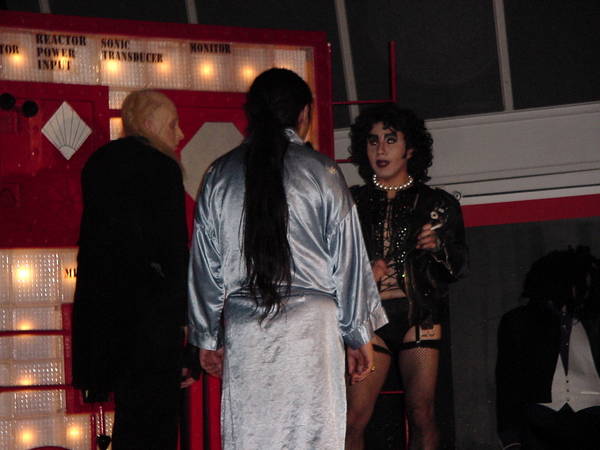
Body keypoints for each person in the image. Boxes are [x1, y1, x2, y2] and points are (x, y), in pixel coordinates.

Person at [187, 68, 387, 449]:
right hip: (313, 331)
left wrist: (208, 335)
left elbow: (206, 266)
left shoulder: (218, 175)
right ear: (304, 114)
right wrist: (358, 334)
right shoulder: (323, 172)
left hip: (247, 329)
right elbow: (347, 262)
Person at [72, 90, 191, 450]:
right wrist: (186, 322)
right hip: (152, 324)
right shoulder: (162, 167)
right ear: (149, 124)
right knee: (156, 426)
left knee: (129, 423)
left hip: (107, 322)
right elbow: (172, 250)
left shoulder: (99, 163)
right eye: (172, 124)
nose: (180, 133)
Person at [345, 104, 468, 450]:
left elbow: (458, 267)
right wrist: (364, 274)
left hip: (418, 316)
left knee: (421, 412)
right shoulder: (351, 202)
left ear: (410, 149)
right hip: (369, 319)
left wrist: (437, 248)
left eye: (390, 140)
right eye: (372, 141)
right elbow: (330, 265)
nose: (380, 150)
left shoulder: (437, 203)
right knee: (353, 418)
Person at [496, 247, 600, 450]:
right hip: (542, 423)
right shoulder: (519, 321)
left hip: (593, 419)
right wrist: (510, 438)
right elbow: (507, 381)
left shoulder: (593, 321)